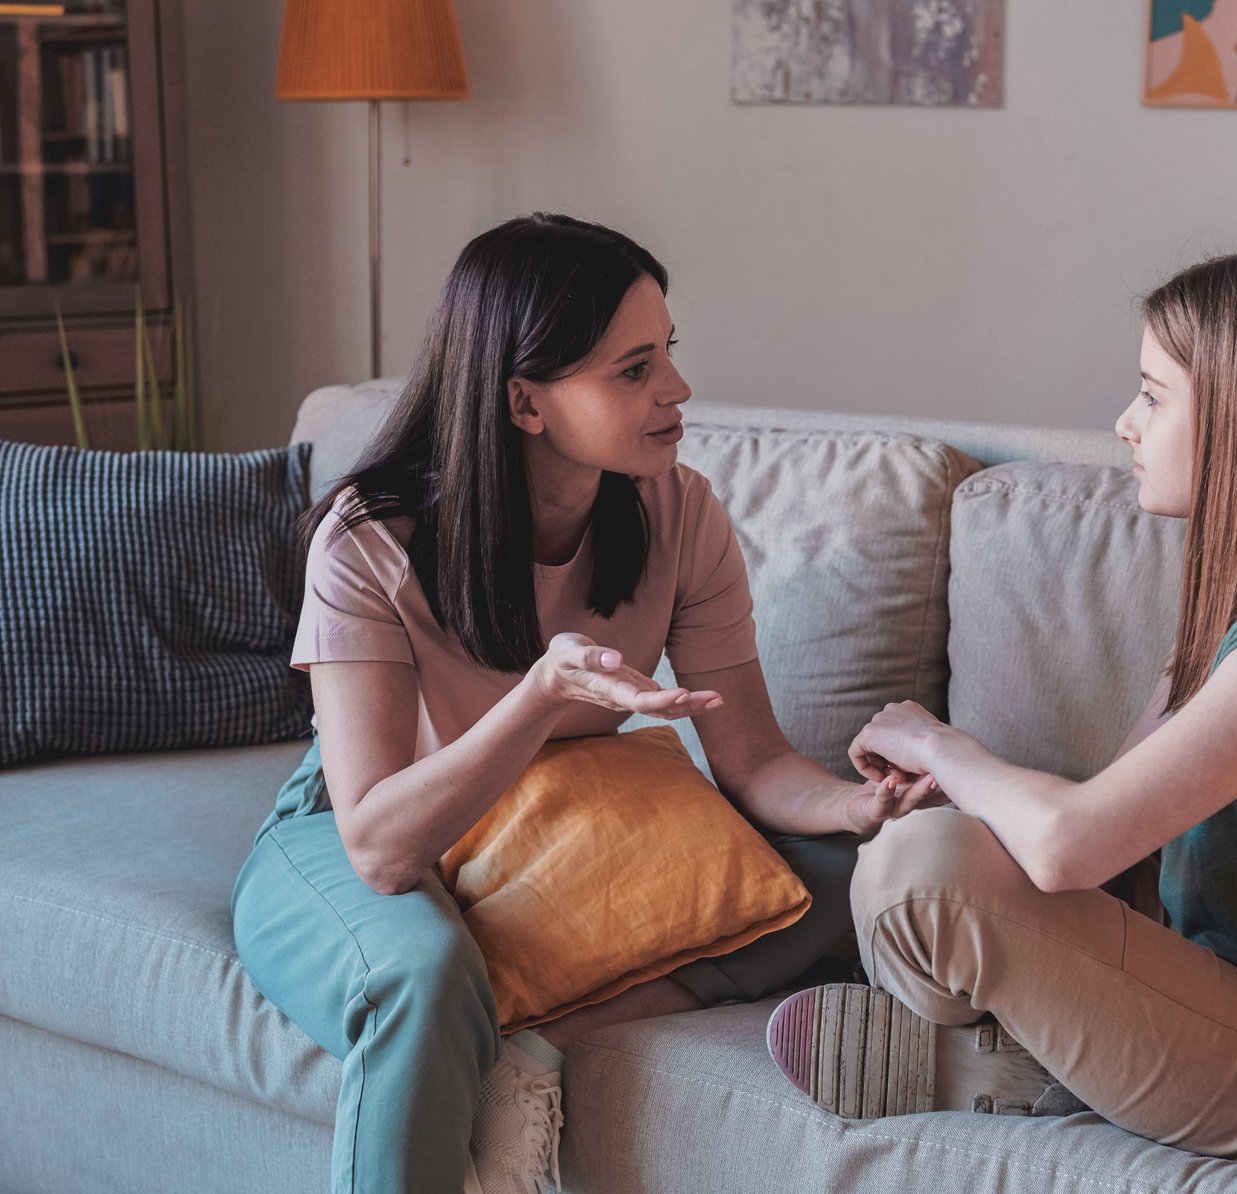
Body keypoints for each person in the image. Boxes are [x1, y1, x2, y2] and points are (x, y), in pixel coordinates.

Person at [231, 213, 937, 1194]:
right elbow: (380, 848)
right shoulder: (371, 539)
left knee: (856, 873)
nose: (677, 391)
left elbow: (753, 762)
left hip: (560, 819)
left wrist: (861, 808)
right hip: (366, 824)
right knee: (421, 979)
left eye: (669, 355)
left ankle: (542, 1043)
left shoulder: (677, 511)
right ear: (525, 402)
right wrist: (537, 695)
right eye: (633, 370)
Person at [766, 244, 1237, 1168]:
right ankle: (1032, 1071)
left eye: (1154, 395)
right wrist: (980, 803)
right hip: (1228, 1005)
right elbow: (1106, 842)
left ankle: (1025, 1073)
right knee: (919, 859)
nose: (1124, 423)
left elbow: (1074, 842)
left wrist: (942, 745)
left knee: (927, 873)